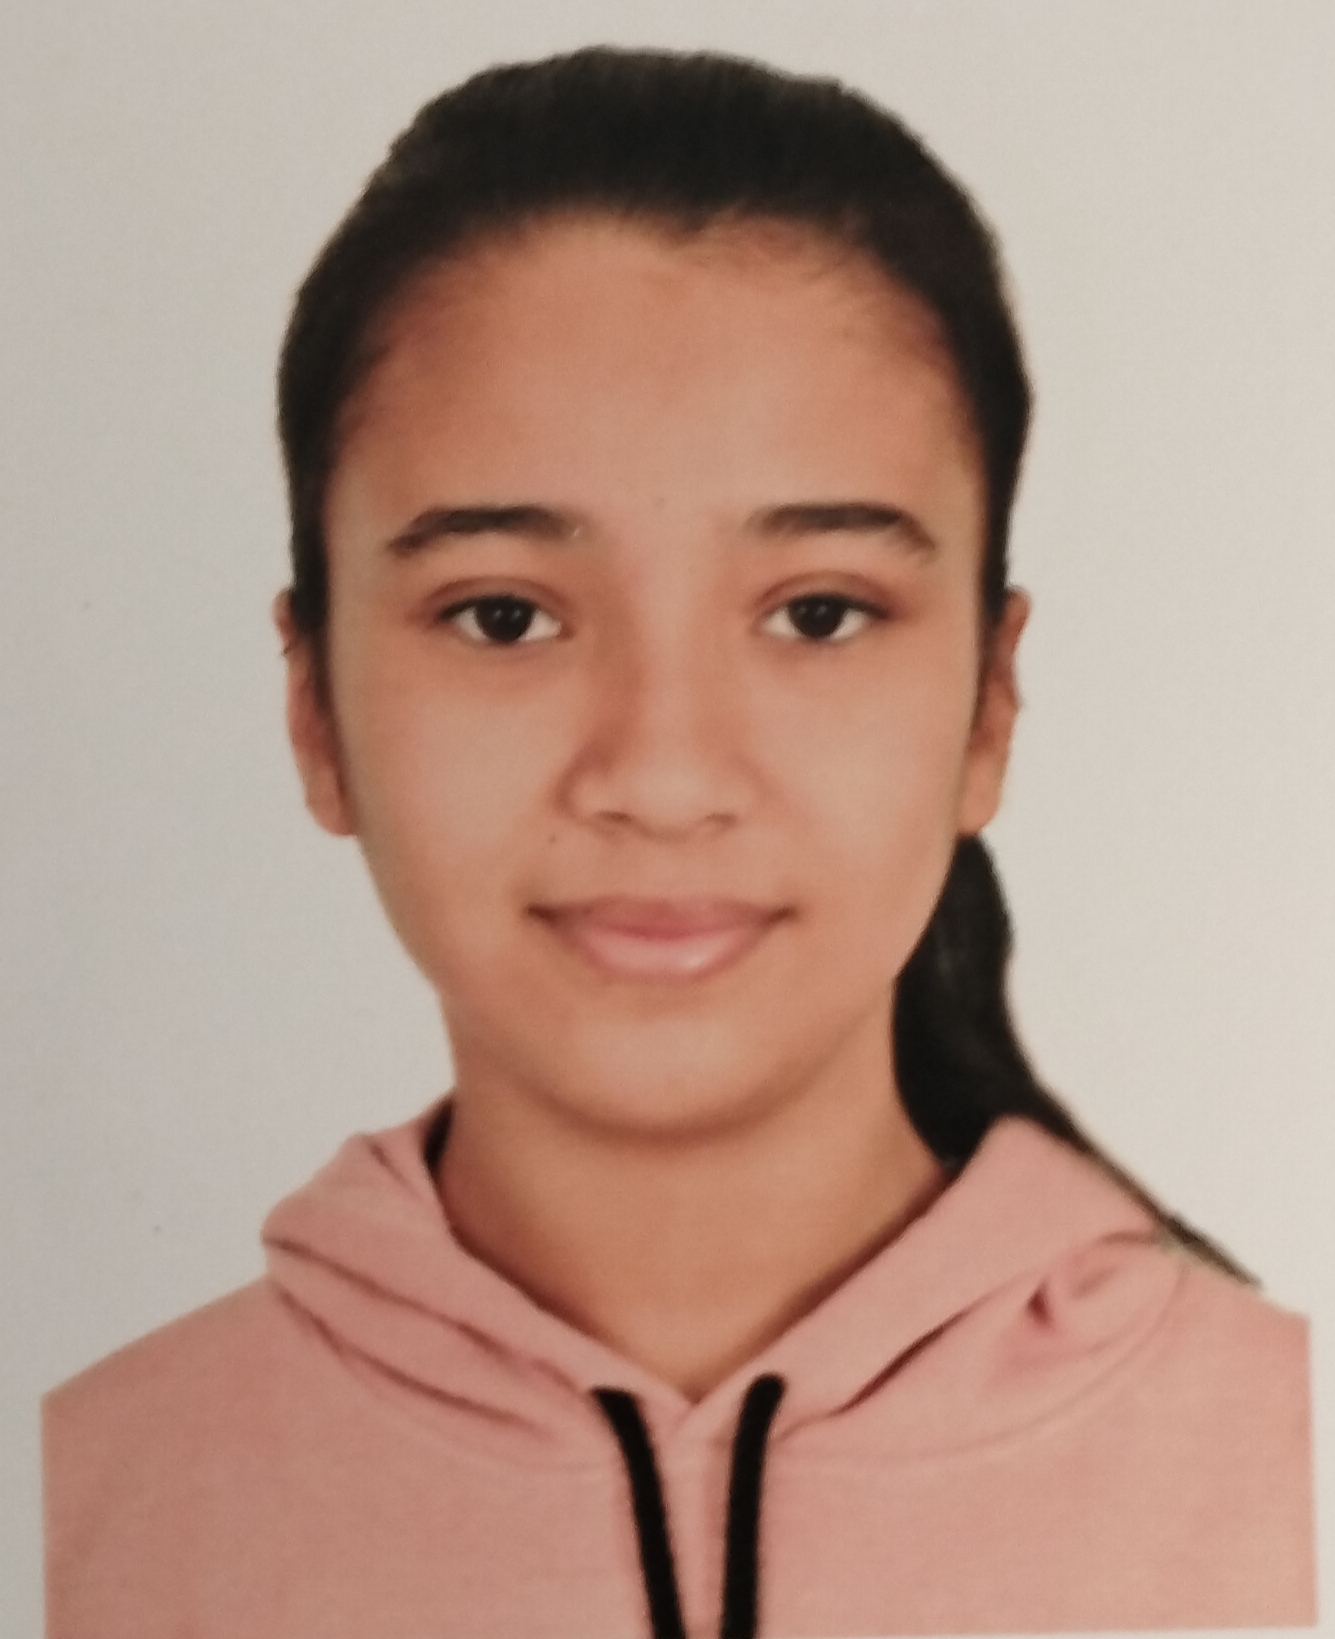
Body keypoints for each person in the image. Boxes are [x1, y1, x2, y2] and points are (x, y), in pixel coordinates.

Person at [43, 46, 1314, 1639]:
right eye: (504, 616)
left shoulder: (1293, 1477)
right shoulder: (80, 1514)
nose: (658, 775)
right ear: (316, 708)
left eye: (818, 614)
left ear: (990, 704)